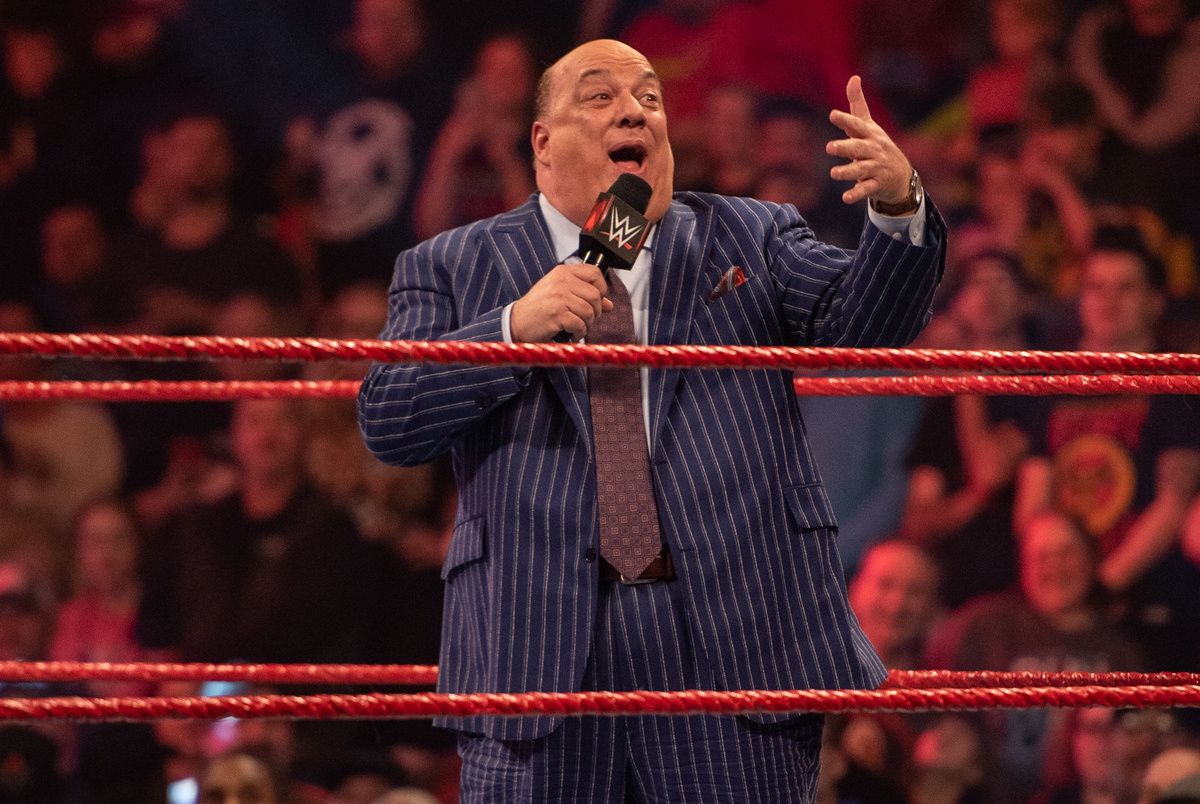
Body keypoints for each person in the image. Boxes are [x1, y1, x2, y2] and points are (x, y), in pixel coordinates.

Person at [358, 39, 945, 802]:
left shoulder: (749, 235)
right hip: (538, 656)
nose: (635, 110)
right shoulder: (450, 264)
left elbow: (867, 326)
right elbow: (390, 418)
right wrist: (510, 330)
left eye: (650, 98)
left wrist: (898, 207)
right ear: (542, 143)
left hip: (731, 652)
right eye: (601, 97)